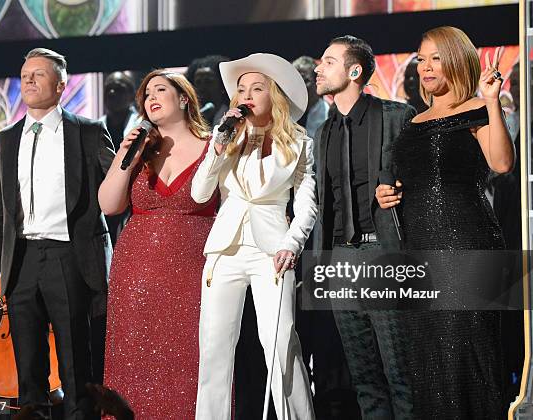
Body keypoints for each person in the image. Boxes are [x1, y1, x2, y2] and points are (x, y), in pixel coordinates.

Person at [376, 26, 514, 418]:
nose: (426, 67)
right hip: (421, 250)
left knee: (466, 355)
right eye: (422, 59)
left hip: (466, 245)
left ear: (456, 60)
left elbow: (502, 163)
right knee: (431, 360)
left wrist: (490, 103)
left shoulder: (476, 109)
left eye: (436, 57)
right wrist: (389, 193)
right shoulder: (414, 123)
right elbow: (413, 177)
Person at [0, 48, 115, 420]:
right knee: (27, 371)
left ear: (60, 85)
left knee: (74, 364)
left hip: (68, 255)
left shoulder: (87, 132)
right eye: (25, 74)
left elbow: (117, 189)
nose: (29, 80)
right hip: (21, 260)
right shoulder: (5, 139)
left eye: (39, 74)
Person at [191, 53, 316, 420]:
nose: (246, 94)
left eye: (256, 87)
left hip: (272, 252)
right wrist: (217, 147)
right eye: (241, 88)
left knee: (280, 345)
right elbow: (200, 194)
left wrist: (292, 244)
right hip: (225, 250)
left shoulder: (300, 144)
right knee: (214, 349)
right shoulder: (227, 138)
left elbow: (307, 206)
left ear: (274, 95)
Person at [99, 69, 216, 419]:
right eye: (146, 93)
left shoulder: (215, 148)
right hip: (135, 275)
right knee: (134, 366)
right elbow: (108, 205)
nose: (150, 96)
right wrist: (127, 157)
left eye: (160, 89)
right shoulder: (140, 151)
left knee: (190, 365)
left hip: (193, 272)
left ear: (183, 98)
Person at [314, 35, 416, 419]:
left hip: (384, 252)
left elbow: (422, 178)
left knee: (400, 371)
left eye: (327, 61)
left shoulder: (395, 117)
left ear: (354, 71)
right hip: (342, 259)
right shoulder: (323, 133)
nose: (318, 69)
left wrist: (405, 187)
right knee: (363, 376)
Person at [185, 55, 230, 126]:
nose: (202, 87)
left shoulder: (233, 115)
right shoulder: (189, 116)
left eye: (208, 82)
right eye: (198, 82)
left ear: (222, 84)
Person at [293, 56, 330, 138]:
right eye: (297, 80)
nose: (301, 86)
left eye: (306, 80)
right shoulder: (285, 113)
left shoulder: (329, 114)